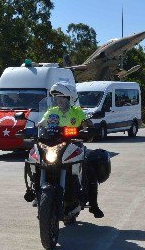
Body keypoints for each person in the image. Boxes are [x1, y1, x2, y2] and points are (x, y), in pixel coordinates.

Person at [37, 82, 104, 218]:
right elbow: (41, 124)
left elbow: (86, 123)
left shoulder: (77, 112)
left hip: (74, 145)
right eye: (56, 98)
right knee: (34, 160)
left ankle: (93, 205)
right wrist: (32, 128)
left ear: (70, 98)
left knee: (89, 169)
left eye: (62, 97)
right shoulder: (51, 112)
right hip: (54, 146)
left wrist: (88, 128)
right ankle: (34, 190)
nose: (58, 100)